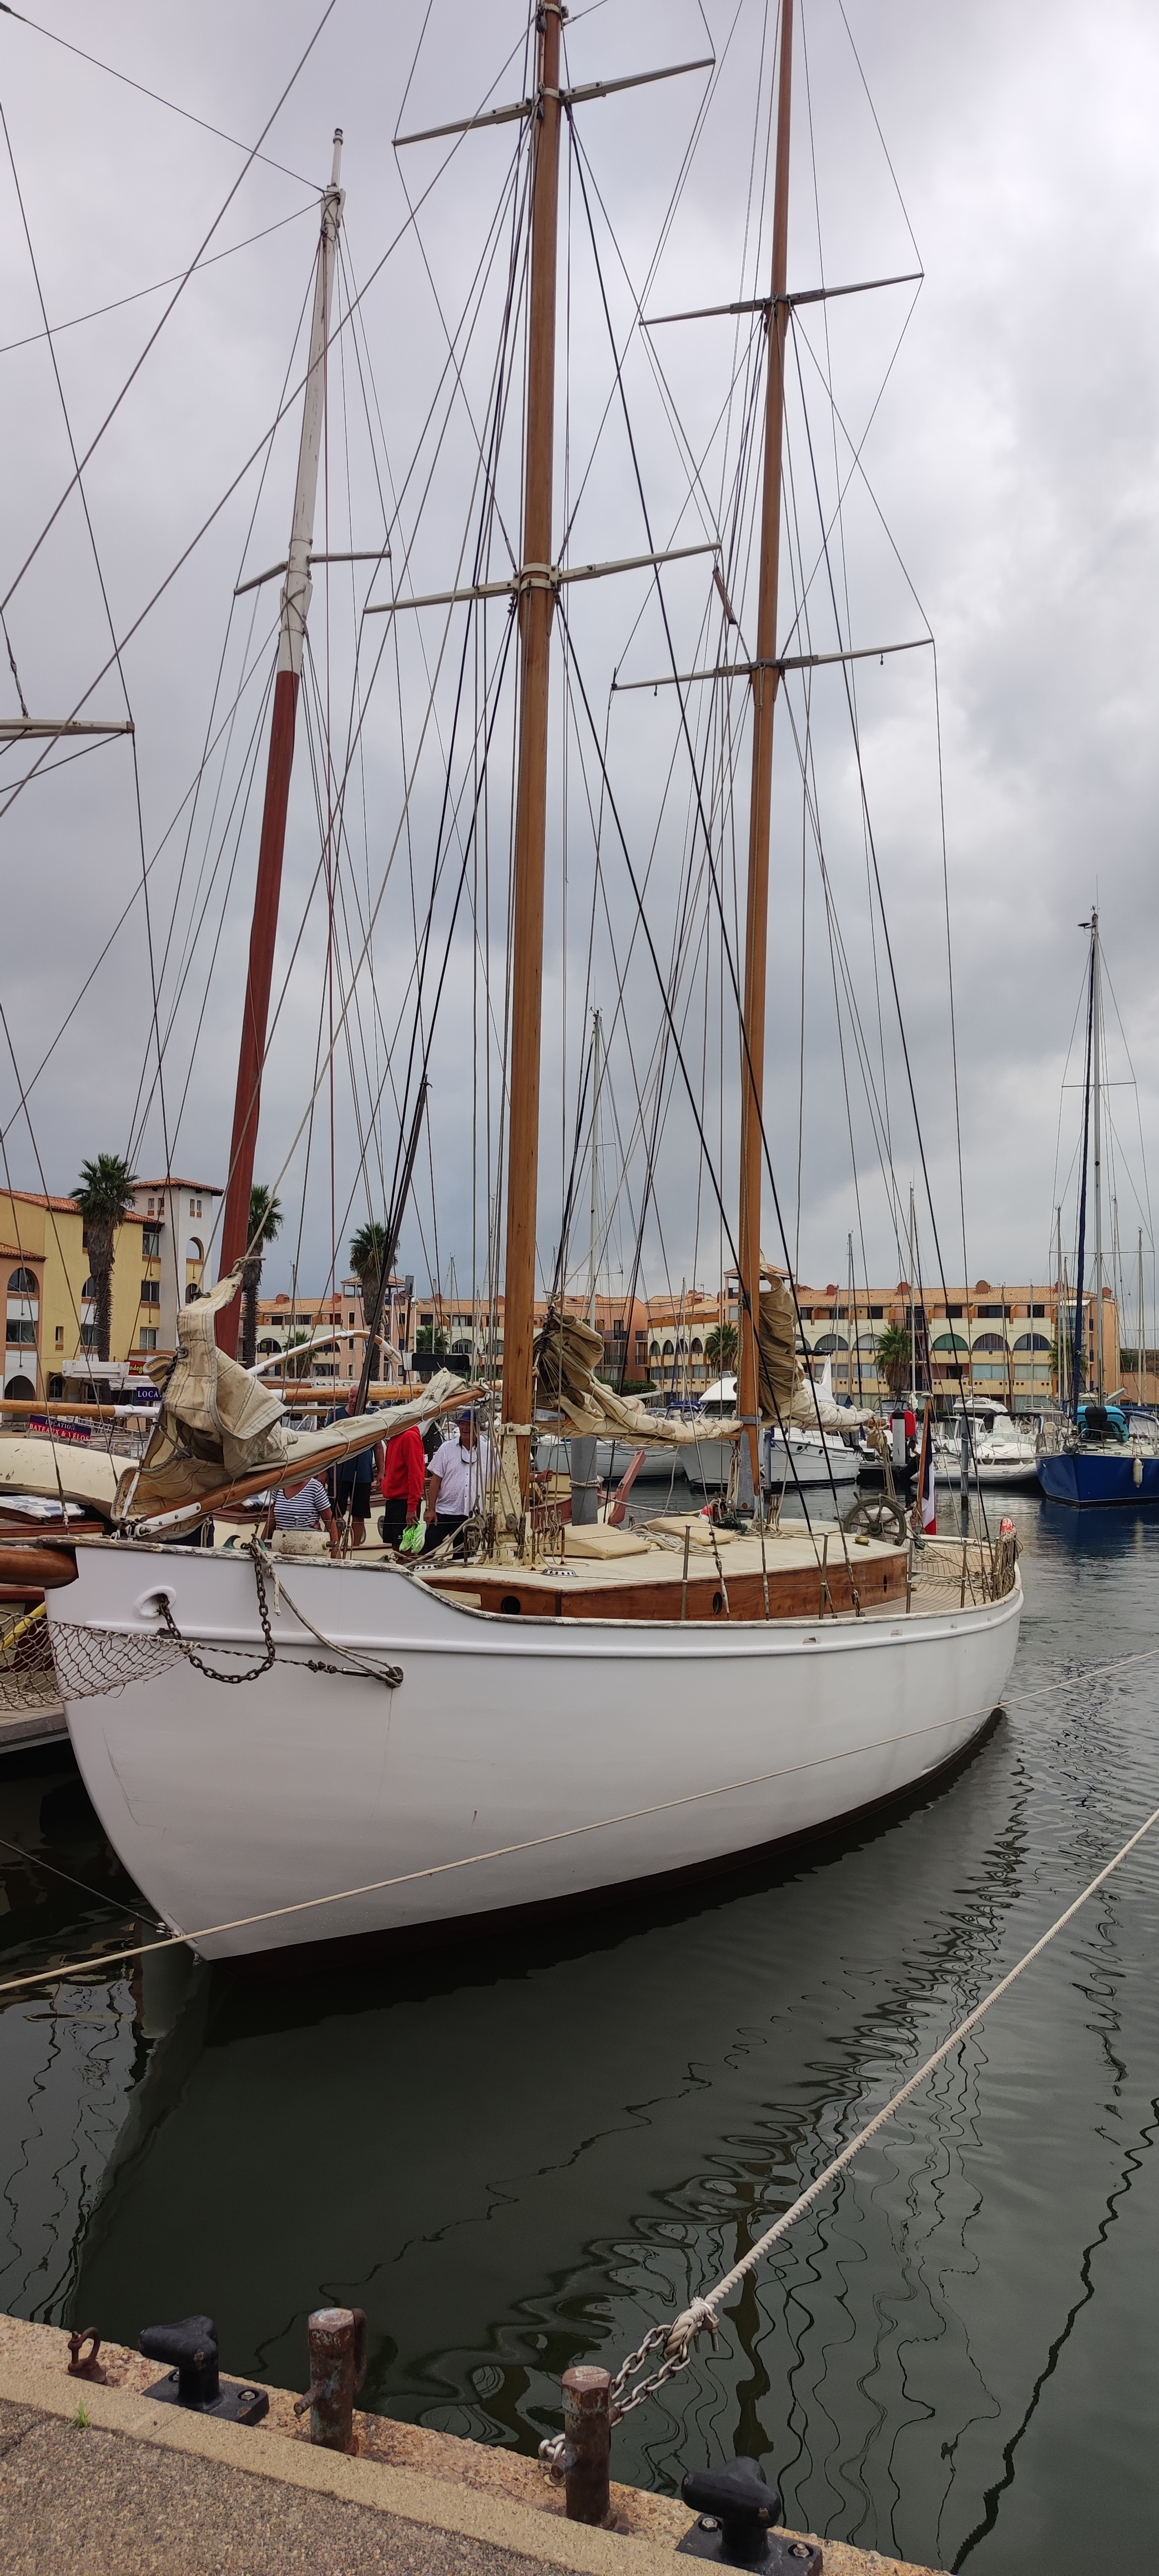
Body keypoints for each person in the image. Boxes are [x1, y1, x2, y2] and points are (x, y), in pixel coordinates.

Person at [422, 1410, 492, 1552]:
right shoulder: (446, 1449)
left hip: (471, 1514)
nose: (464, 1428)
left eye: (469, 1424)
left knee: (464, 1557)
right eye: (462, 1424)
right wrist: (431, 1510)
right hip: (444, 1511)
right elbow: (435, 1481)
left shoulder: (488, 1451)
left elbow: (506, 1473)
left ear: (478, 1428)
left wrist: (535, 1478)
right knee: (427, 1552)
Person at [327, 1391, 385, 1549]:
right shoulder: (336, 1415)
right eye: (351, 1396)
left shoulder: (373, 1417)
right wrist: (324, 1472)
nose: (354, 1401)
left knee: (359, 1514)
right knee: (336, 1514)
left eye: (358, 1397)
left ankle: (356, 1547)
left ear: (367, 1400)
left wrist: (381, 1472)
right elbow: (327, 1444)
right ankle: (337, 1546)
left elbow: (378, 1446)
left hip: (363, 1474)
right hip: (338, 1473)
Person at [379, 1418, 427, 1549]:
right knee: (397, 1546)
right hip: (394, 1500)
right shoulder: (395, 1438)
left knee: (406, 1548)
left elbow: (416, 1474)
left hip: (404, 1501)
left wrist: (412, 1507)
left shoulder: (409, 1437)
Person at [265, 1475, 339, 1555]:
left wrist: (335, 1549)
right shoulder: (279, 1487)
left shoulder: (315, 1487)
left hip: (309, 1546)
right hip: (281, 1545)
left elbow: (329, 1520)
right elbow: (272, 1516)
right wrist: (262, 1542)